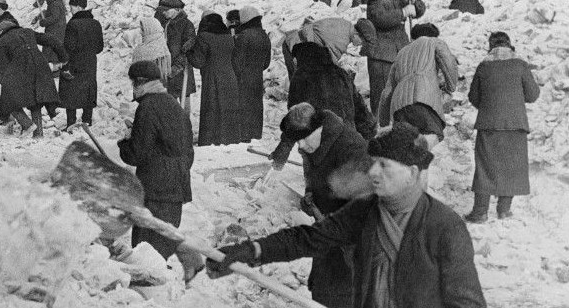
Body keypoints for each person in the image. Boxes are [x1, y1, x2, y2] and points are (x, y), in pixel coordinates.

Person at [195, 122, 486, 308]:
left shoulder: (444, 226)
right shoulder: (366, 211)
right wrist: (249, 251)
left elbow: (467, 303)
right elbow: (308, 239)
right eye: (373, 163)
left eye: (384, 165)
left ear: (411, 172)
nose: (372, 172)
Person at [268, 102, 369, 308]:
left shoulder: (351, 148)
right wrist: (310, 197)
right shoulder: (314, 145)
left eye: (303, 140)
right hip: (328, 239)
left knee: (345, 295)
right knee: (323, 293)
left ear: (317, 129)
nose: (301, 146)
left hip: (350, 243)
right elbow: (316, 179)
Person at [118, 61, 194, 260]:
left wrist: (126, 141)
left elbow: (136, 154)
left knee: (146, 253)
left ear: (140, 83)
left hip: (154, 190)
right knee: (163, 247)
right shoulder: (173, 105)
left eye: (133, 84)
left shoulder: (147, 108)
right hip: (176, 187)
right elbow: (186, 148)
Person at [466, 32, 539, 223]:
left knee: (485, 167)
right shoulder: (521, 65)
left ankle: (480, 212)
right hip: (516, 125)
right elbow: (532, 95)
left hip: (489, 124)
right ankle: (504, 210)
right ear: (510, 45)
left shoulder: (484, 66)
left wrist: (490, 107)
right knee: (512, 167)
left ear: (490, 46)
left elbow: (473, 97)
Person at [286, 18, 377, 141]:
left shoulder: (345, 26)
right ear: (356, 34)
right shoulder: (341, 40)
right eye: (361, 41)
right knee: (303, 92)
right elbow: (329, 67)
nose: (360, 44)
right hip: (296, 49)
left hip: (300, 46)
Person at [377, 23, 458, 150]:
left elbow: (387, 92)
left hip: (399, 105)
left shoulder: (401, 53)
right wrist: (450, 86)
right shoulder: (433, 42)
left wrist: (383, 123)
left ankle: (409, 165)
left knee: (406, 144)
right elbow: (447, 60)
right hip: (423, 99)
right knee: (432, 135)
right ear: (434, 36)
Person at [0, 5, 67, 138]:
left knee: (8, 99)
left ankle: (26, 124)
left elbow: (3, 65)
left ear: (1, 31)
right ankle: (38, 134)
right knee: (36, 99)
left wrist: (4, 79)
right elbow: (51, 40)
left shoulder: (1, 41)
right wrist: (63, 58)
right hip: (41, 65)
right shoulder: (28, 32)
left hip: (20, 68)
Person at [365, 0, 426, 114]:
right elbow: (379, 18)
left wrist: (414, 1)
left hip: (399, 54)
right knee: (382, 96)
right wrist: (402, 13)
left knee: (399, 94)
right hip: (381, 57)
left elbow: (420, 10)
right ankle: (380, 128)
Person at [187, 12, 241, 146]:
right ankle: (229, 140)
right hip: (230, 77)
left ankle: (210, 141)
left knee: (212, 110)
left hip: (212, 78)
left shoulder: (204, 37)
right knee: (227, 110)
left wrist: (188, 52)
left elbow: (198, 61)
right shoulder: (228, 36)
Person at [59, 0, 104, 128]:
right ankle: (87, 121)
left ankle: (71, 123)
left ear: (78, 7)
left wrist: (65, 65)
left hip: (74, 63)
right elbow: (99, 48)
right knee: (88, 92)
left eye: (71, 6)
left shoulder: (73, 24)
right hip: (90, 63)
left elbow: (69, 47)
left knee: (70, 92)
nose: (70, 9)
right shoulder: (96, 24)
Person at [233, 6, 272, 143]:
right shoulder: (264, 35)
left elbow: (237, 61)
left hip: (243, 78)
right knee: (256, 105)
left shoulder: (244, 36)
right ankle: (256, 133)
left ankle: (244, 135)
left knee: (244, 105)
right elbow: (267, 62)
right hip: (257, 76)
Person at [154, 0, 196, 108]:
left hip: (181, 71)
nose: (164, 13)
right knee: (168, 103)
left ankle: (185, 124)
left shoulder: (187, 25)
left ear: (177, 10)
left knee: (184, 103)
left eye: (166, 10)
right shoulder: (165, 24)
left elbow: (188, 49)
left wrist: (177, 67)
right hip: (166, 70)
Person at [32, 0, 67, 119]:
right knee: (50, 54)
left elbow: (54, 18)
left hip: (54, 34)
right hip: (55, 33)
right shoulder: (55, 2)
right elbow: (47, 11)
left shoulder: (55, 4)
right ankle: (53, 70)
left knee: (49, 54)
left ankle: (52, 71)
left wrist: (43, 21)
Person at [132, 16, 172, 85]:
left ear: (151, 30)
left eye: (143, 30)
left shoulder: (142, 50)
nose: (140, 33)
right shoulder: (163, 48)